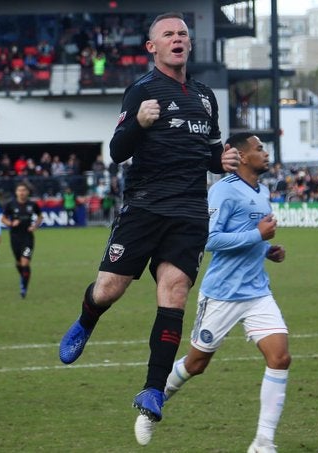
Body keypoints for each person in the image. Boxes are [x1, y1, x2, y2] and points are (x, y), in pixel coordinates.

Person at [58, 11, 240, 432]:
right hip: (144, 207)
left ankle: (153, 390)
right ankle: (87, 320)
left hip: (190, 211)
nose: (177, 38)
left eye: (182, 34)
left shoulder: (205, 96)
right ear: (152, 47)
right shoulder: (140, 92)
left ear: (188, 45)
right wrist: (138, 124)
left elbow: (208, 153)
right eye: (168, 34)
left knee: (173, 292)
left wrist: (224, 159)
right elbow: (117, 151)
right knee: (108, 290)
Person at [133, 133, 289, 452]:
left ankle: (263, 442)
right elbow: (209, 239)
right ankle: (151, 405)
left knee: (280, 357)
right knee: (196, 364)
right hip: (222, 294)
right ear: (242, 156)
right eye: (259, 148)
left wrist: (266, 248)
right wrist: (256, 234)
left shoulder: (262, 190)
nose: (265, 153)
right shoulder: (222, 191)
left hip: (257, 292)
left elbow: (248, 238)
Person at [1, 181, 44, 298]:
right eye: (19, 190)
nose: (22, 193)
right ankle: (24, 278)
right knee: (19, 263)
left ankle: (23, 288)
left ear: (27, 192)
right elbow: (3, 218)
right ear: (16, 192)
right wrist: (10, 223)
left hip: (28, 237)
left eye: (24, 190)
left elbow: (40, 217)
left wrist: (34, 226)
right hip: (14, 237)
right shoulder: (11, 204)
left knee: (25, 262)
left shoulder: (32, 205)